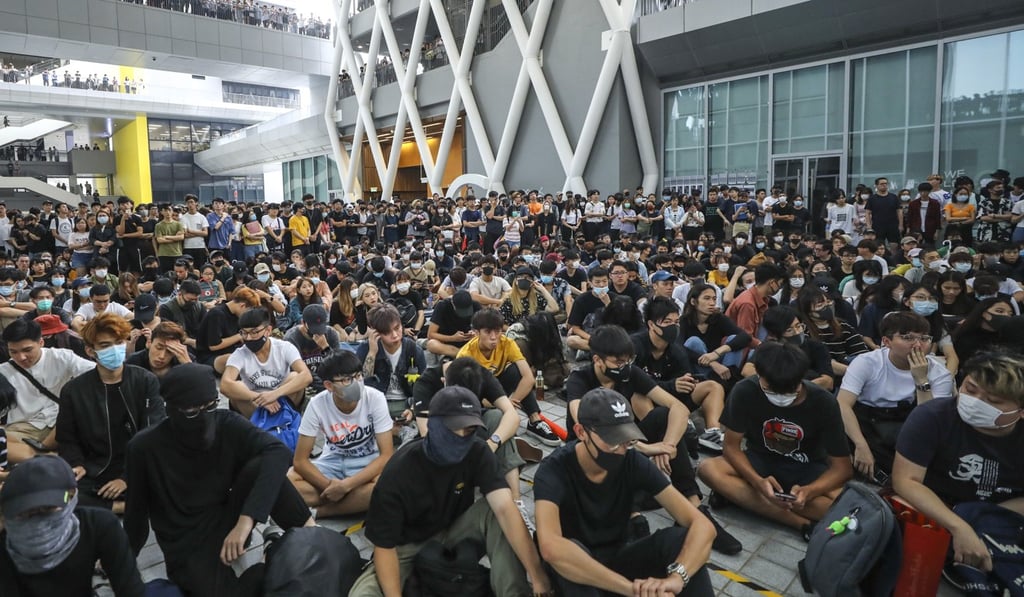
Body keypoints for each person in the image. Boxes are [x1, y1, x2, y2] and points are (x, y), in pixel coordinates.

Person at [124, 364, 316, 597]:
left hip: (227, 518)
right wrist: (122, 561)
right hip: (185, 540)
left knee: (263, 464)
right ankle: (274, 554)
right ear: (171, 409)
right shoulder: (144, 447)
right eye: (192, 412)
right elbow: (135, 514)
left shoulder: (224, 422)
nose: (204, 417)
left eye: (210, 406)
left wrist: (245, 521)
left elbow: (278, 452)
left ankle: (313, 535)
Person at [347, 386, 552, 596]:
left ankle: (514, 593)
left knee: (497, 510)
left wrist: (537, 576)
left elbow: (506, 511)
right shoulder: (400, 469)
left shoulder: (477, 451)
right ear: (433, 423)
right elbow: (384, 547)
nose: (462, 436)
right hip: (405, 549)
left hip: (453, 533)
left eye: (469, 430)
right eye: (454, 428)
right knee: (363, 593)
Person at [565, 324, 741, 554]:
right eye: (618, 362)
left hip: (625, 446)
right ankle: (633, 514)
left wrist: (667, 445)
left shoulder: (630, 374)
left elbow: (677, 406)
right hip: (589, 451)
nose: (624, 367)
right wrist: (645, 449)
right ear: (598, 360)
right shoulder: (580, 380)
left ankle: (694, 508)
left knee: (662, 416)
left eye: (628, 361)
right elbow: (589, 426)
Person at [535, 388, 715, 596]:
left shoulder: (631, 460)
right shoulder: (554, 470)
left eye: (627, 440)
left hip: (617, 559)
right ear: (581, 432)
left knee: (681, 539)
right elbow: (551, 547)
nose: (621, 449)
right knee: (570, 552)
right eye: (612, 441)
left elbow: (702, 525)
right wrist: (631, 590)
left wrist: (678, 577)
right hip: (574, 572)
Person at [698, 342, 853, 534]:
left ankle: (743, 498)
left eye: (790, 390)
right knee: (708, 469)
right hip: (760, 460)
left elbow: (842, 468)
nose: (781, 396)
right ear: (759, 376)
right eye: (771, 389)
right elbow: (731, 447)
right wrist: (757, 481)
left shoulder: (823, 402)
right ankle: (801, 524)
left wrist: (810, 491)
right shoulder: (745, 390)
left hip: (807, 467)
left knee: (846, 508)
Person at [893, 352, 1024, 574]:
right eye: (970, 389)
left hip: (1001, 512)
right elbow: (906, 481)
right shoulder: (932, 416)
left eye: (993, 401)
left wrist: (985, 521)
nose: (976, 402)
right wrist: (959, 526)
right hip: (937, 507)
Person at [56, 312, 164, 512]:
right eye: (105, 346)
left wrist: (127, 478)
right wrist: (76, 464)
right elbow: (67, 438)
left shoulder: (144, 380)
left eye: (119, 342)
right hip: (94, 467)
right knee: (60, 494)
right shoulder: (74, 390)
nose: (115, 349)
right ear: (90, 350)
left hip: (139, 465)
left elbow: (153, 433)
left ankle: (116, 504)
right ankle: (122, 506)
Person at [0, 456, 148, 596]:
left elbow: (131, 590)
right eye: (27, 513)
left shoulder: (97, 526)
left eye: (47, 508)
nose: (38, 520)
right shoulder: (5, 544)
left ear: (71, 498)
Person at [837, 311, 955, 480]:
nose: (917, 345)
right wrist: (860, 445)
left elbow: (929, 422)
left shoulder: (939, 374)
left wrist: (921, 379)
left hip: (908, 425)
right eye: (907, 338)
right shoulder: (867, 362)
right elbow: (843, 404)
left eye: (924, 338)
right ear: (887, 342)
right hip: (865, 421)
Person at [287, 351, 393, 518]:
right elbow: (300, 461)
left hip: (368, 461)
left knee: (385, 485)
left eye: (358, 376)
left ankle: (320, 512)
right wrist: (330, 487)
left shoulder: (375, 398)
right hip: (333, 461)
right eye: (346, 380)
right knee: (289, 480)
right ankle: (355, 501)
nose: (356, 383)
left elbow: (386, 455)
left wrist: (346, 486)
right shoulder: (317, 404)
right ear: (329, 386)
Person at [632, 296, 727, 453]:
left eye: (676, 322)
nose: (673, 326)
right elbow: (631, 382)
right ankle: (660, 435)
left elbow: (682, 382)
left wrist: (687, 383)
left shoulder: (677, 350)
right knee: (639, 394)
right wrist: (671, 385)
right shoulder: (635, 346)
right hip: (645, 403)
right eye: (667, 322)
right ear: (651, 324)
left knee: (713, 386)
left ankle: (713, 434)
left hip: (673, 400)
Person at [457, 308, 560, 445]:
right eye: (488, 332)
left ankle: (534, 420)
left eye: (497, 331)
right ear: (476, 333)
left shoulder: (507, 343)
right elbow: (468, 395)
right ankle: (503, 428)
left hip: (499, 386)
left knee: (515, 371)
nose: (494, 337)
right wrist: (502, 404)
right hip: (480, 394)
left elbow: (528, 378)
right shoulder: (466, 355)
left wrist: (510, 402)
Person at [0, 319, 94, 464]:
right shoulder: (3, 372)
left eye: (27, 350)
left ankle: (39, 458)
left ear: (41, 342)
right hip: (23, 428)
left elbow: (97, 374)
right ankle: (51, 459)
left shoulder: (62, 357)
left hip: (61, 423)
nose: (21, 357)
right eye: (13, 352)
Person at [220, 308, 313, 418]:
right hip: (255, 404)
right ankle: (263, 425)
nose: (248, 338)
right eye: (244, 333)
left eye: (254, 332)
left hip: (282, 398)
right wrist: (259, 398)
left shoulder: (284, 348)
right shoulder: (240, 354)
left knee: (295, 376)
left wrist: (274, 395)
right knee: (236, 387)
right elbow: (225, 385)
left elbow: (306, 376)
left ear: (268, 330)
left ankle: (285, 419)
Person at [356, 304, 426, 432]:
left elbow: (425, 386)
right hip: (376, 405)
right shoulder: (366, 349)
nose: (394, 335)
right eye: (387, 332)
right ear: (376, 332)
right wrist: (372, 353)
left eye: (397, 328)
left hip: (406, 403)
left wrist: (412, 410)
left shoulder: (413, 349)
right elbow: (360, 385)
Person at [195, 286, 261, 372]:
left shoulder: (235, 315)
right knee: (236, 359)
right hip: (210, 356)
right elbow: (214, 346)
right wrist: (239, 336)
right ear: (242, 306)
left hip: (232, 351)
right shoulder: (217, 314)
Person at [724, 264, 785, 349]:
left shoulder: (763, 299)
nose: (780, 287)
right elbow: (745, 338)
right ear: (772, 283)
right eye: (780, 284)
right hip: (738, 349)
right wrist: (765, 347)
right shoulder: (748, 304)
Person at [125, 320, 192, 378]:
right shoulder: (133, 363)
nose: (162, 356)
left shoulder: (184, 361)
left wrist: (189, 366)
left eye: (169, 351)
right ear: (150, 343)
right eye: (159, 348)